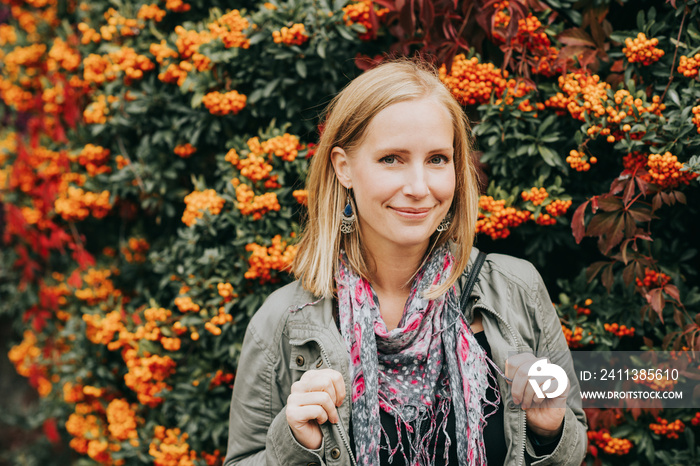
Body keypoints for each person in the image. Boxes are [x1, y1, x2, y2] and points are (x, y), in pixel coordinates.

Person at [224, 58, 587, 466]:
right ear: (344, 167)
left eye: (437, 159)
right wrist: (295, 444)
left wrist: (549, 430)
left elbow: (571, 447)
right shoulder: (284, 321)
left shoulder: (516, 290)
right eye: (391, 159)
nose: (419, 187)